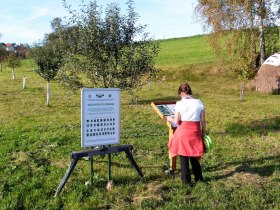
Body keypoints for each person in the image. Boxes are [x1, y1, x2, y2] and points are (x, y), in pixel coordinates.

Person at [167, 82, 206, 186]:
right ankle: (199, 179)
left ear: (181, 93)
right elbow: (203, 121)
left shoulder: (180, 104)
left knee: (183, 157)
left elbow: (176, 121)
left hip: (183, 132)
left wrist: (169, 118)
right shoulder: (199, 102)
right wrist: (203, 133)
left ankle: (186, 182)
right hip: (195, 131)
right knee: (194, 155)